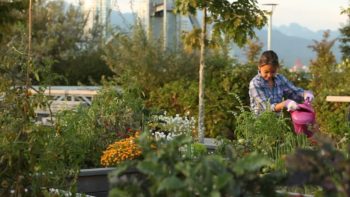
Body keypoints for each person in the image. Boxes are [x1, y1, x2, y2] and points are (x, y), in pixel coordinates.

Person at [249, 50, 314, 115]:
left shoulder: (280, 79)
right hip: (260, 123)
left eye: (273, 72)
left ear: (277, 68)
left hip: (277, 122)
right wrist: (285, 104)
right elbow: (266, 108)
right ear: (259, 67)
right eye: (266, 72)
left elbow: (293, 92)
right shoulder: (255, 83)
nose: (269, 75)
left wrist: (305, 94)